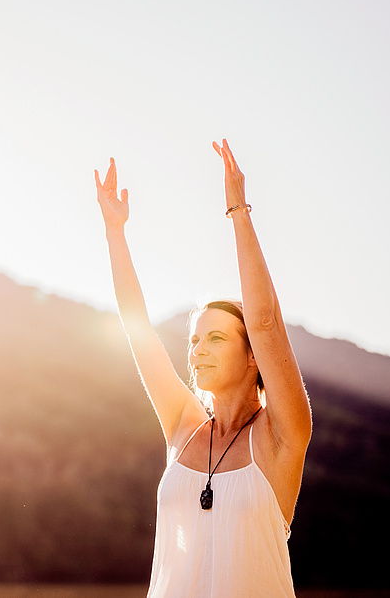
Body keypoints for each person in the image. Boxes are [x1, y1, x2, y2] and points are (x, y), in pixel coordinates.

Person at [94, 139, 312, 597]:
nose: (197, 350)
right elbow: (138, 332)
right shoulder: (184, 427)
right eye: (194, 340)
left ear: (253, 356)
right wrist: (115, 232)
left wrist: (239, 211)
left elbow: (267, 323)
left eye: (215, 338)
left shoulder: (281, 436)